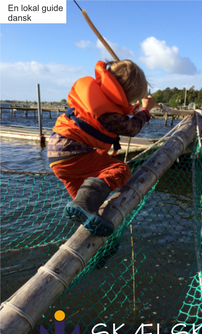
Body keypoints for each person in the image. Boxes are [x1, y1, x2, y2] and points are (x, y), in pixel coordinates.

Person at [47, 59, 156, 237]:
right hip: (74, 151)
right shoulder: (108, 113)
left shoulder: (97, 98)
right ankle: (88, 214)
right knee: (120, 170)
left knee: (86, 205)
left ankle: (95, 234)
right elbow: (132, 128)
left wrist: (130, 109)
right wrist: (145, 110)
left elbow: (112, 115)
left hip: (56, 151)